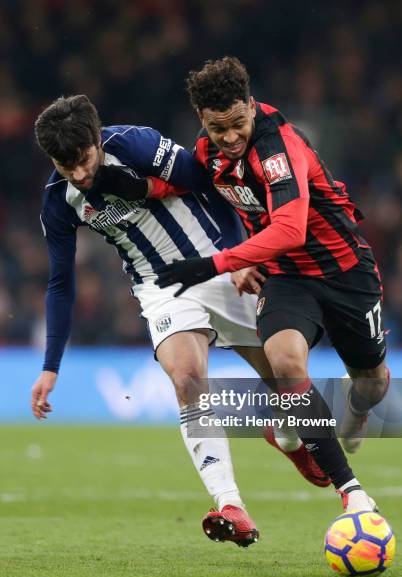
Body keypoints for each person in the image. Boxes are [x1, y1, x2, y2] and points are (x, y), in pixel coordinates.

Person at [31, 95, 329, 549]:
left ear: (97, 139)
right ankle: (231, 504)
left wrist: (235, 258)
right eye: (63, 163)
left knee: (284, 378)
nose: (77, 173)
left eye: (83, 159)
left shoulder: (137, 145)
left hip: (216, 261)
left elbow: (213, 184)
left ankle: (286, 438)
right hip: (159, 287)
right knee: (188, 378)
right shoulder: (59, 200)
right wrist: (51, 366)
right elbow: (60, 283)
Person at [145, 57, 392, 513]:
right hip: (285, 276)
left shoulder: (277, 147)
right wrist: (131, 187)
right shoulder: (208, 150)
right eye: (219, 128)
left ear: (251, 106)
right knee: (284, 363)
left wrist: (220, 261)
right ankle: (353, 494)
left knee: (371, 382)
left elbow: (290, 229)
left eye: (238, 123)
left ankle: (357, 410)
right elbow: (190, 186)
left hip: (345, 272)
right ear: (203, 121)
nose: (231, 136)